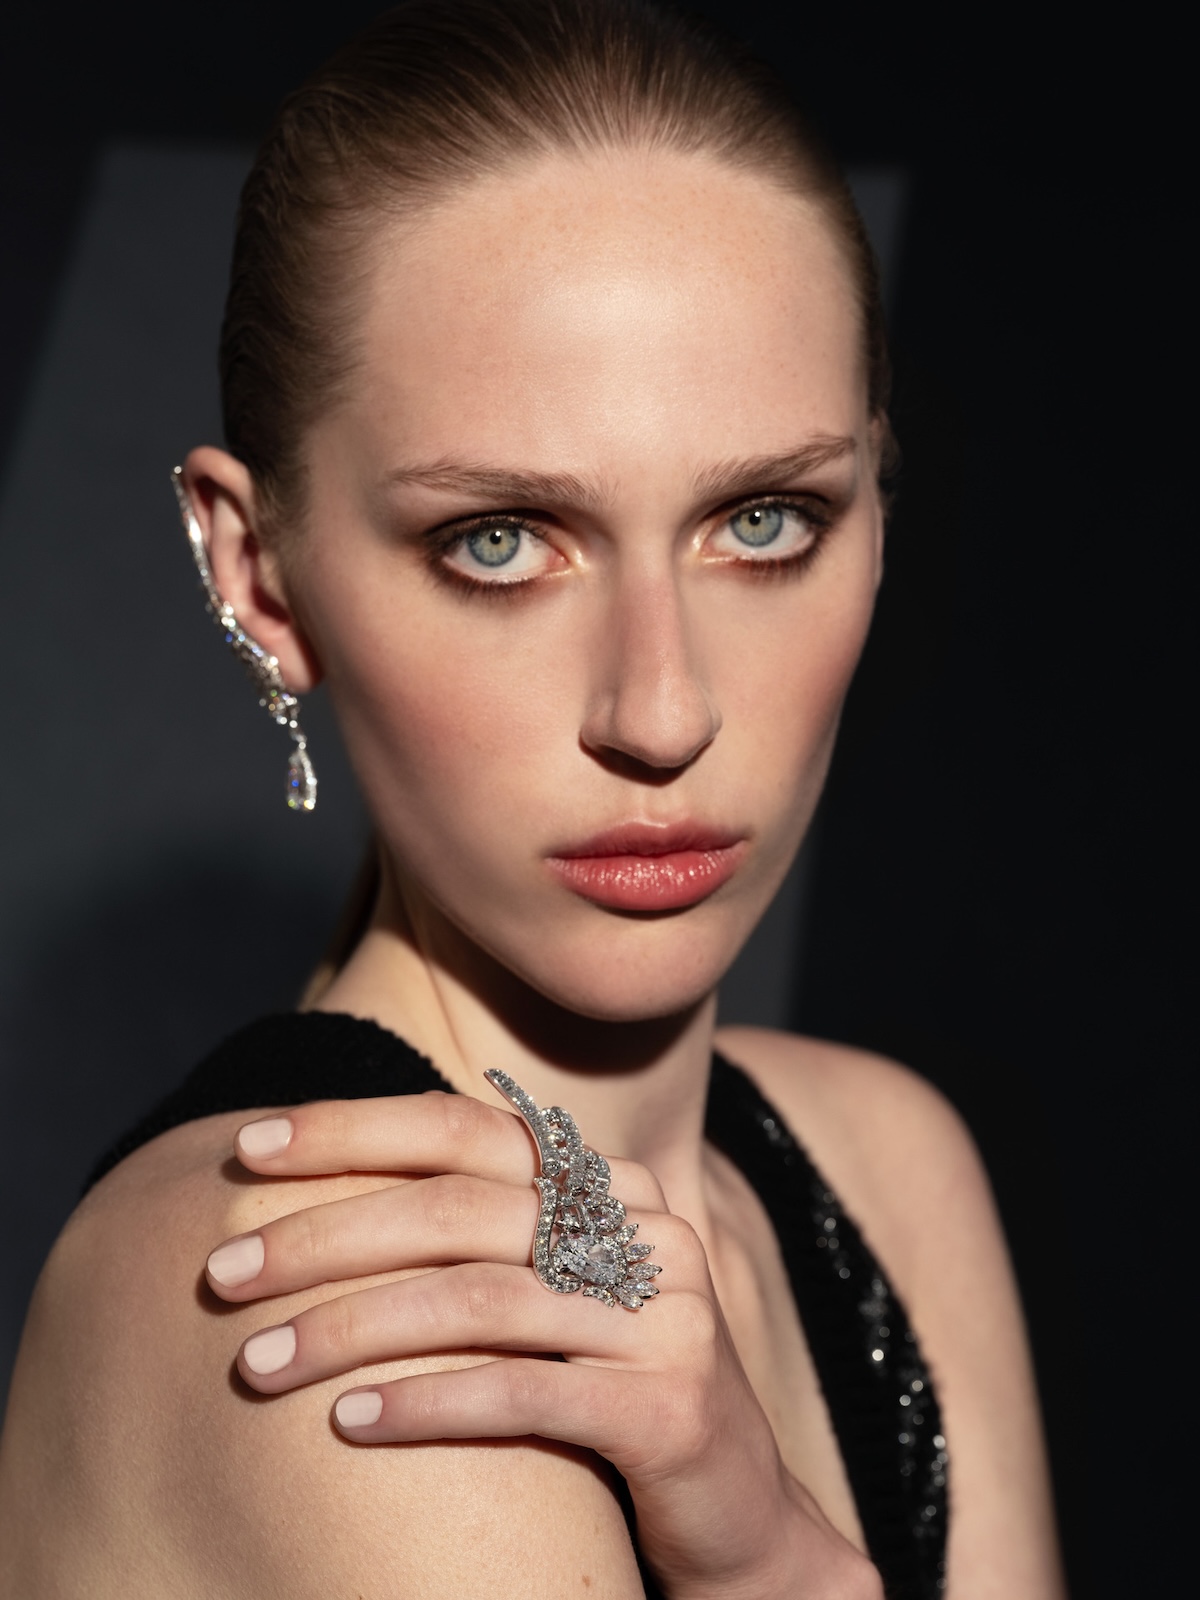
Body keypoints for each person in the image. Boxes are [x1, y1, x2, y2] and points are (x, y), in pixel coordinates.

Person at [0, 2, 1064, 1595]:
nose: (664, 710)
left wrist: (772, 1545)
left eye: (765, 520)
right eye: (498, 541)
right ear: (260, 577)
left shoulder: (891, 1163)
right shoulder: (317, 1302)